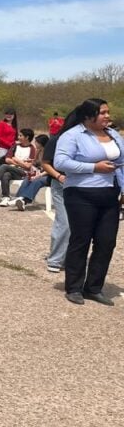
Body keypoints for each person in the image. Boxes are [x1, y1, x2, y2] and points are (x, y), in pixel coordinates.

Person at [53, 99, 124, 305]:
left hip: (110, 194)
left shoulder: (113, 135)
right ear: (88, 116)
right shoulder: (73, 135)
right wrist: (94, 168)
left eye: (108, 112)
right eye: (102, 113)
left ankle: (93, 287)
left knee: (106, 242)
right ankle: (74, 287)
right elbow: (61, 162)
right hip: (81, 194)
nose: (107, 116)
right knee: (81, 240)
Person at [0, 128, 37, 205]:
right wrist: (20, 163)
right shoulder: (15, 146)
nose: (18, 137)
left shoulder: (32, 149)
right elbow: (7, 159)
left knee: (4, 167)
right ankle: (6, 197)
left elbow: (28, 166)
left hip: (24, 173)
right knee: (6, 174)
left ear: (27, 137)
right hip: (14, 170)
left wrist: (16, 160)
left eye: (20, 135)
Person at [41, 128, 70, 272]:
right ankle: (56, 260)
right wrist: (59, 176)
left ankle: (60, 255)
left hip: (81, 185)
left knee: (67, 223)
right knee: (64, 222)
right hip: (60, 183)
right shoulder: (56, 140)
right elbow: (45, 163)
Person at [9, 134, 50, 210]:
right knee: (28, 178)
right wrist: (32, 170)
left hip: (49, 175)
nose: (35, 144)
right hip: (40, 173)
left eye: (36, 142)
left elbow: (51, 168)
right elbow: (35, 163)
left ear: (41, 143)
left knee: (37, 181)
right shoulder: (39, 151)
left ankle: (23, 200)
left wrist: (40, 175)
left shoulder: (49, 153)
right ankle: (19, 198)